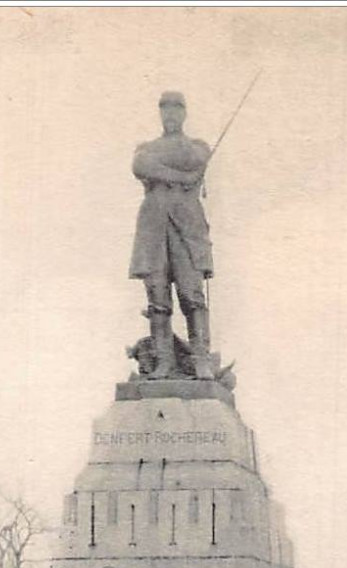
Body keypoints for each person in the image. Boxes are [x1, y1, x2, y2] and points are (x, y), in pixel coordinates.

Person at [130, 90, 215, 380]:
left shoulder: (196, 146)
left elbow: (193, 158)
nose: (170, 115)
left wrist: (163, 170)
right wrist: (182, 177)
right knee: (157, 296)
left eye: (176, 109)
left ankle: (201, 359)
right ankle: (163, 361)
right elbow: (140, 165)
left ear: (184, 113)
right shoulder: (146, 147)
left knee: (192, 294)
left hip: (187, 224)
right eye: (165, 110)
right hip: (153, 223)